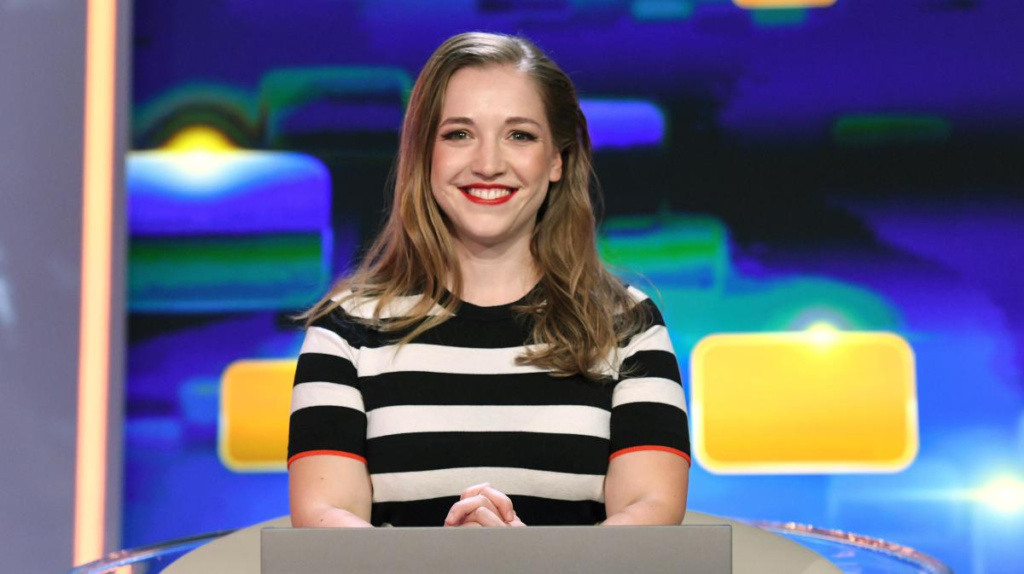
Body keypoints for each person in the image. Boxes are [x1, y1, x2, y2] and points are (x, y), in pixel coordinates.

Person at [287, 31, 690, 528]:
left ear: (557, 160)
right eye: (459, 134)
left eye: (519, 135)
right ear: (424, 154)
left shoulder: (627, 326)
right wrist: (436, 563)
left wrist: (534, 562)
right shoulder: (345, 333)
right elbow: (324, 519)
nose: (488, 164)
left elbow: (651, 513)